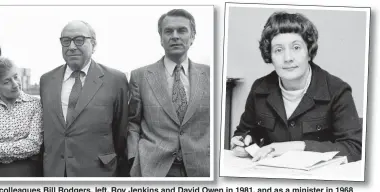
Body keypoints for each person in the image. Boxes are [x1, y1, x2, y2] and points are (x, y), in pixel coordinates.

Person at [229, 12, 362, 163]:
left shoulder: (337, 91)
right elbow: (245, 132)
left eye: (296, 47)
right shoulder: (259, 88)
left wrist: (297, 146)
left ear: (309, 51)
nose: (288, 58)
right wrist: (243, 143)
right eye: (278, 50)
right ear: (269, 56)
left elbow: (355, 148)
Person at [39, 20, 129, 177]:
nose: (72, 46)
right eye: (66, 41)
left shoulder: (115, 80)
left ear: (94, 44)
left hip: (99, 173)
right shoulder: (46, 80)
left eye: (79, 40)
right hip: (55, 172)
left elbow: (121, 131)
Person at [127, 9, 211, 177]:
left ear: (192, 37)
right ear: (161, 38)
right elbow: (132, 122)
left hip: (202, 168)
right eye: (168, 31)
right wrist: (133, 158)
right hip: (153, 169)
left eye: (182, 30)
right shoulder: (140, 76)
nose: (175, 36)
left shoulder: (211, 75)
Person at [0, 56, 43, 177]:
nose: (15, 84)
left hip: (28, 173)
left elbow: (34, 145)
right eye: (7, 82)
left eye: (16, 77)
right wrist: (20, 149)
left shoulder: (34, 104)